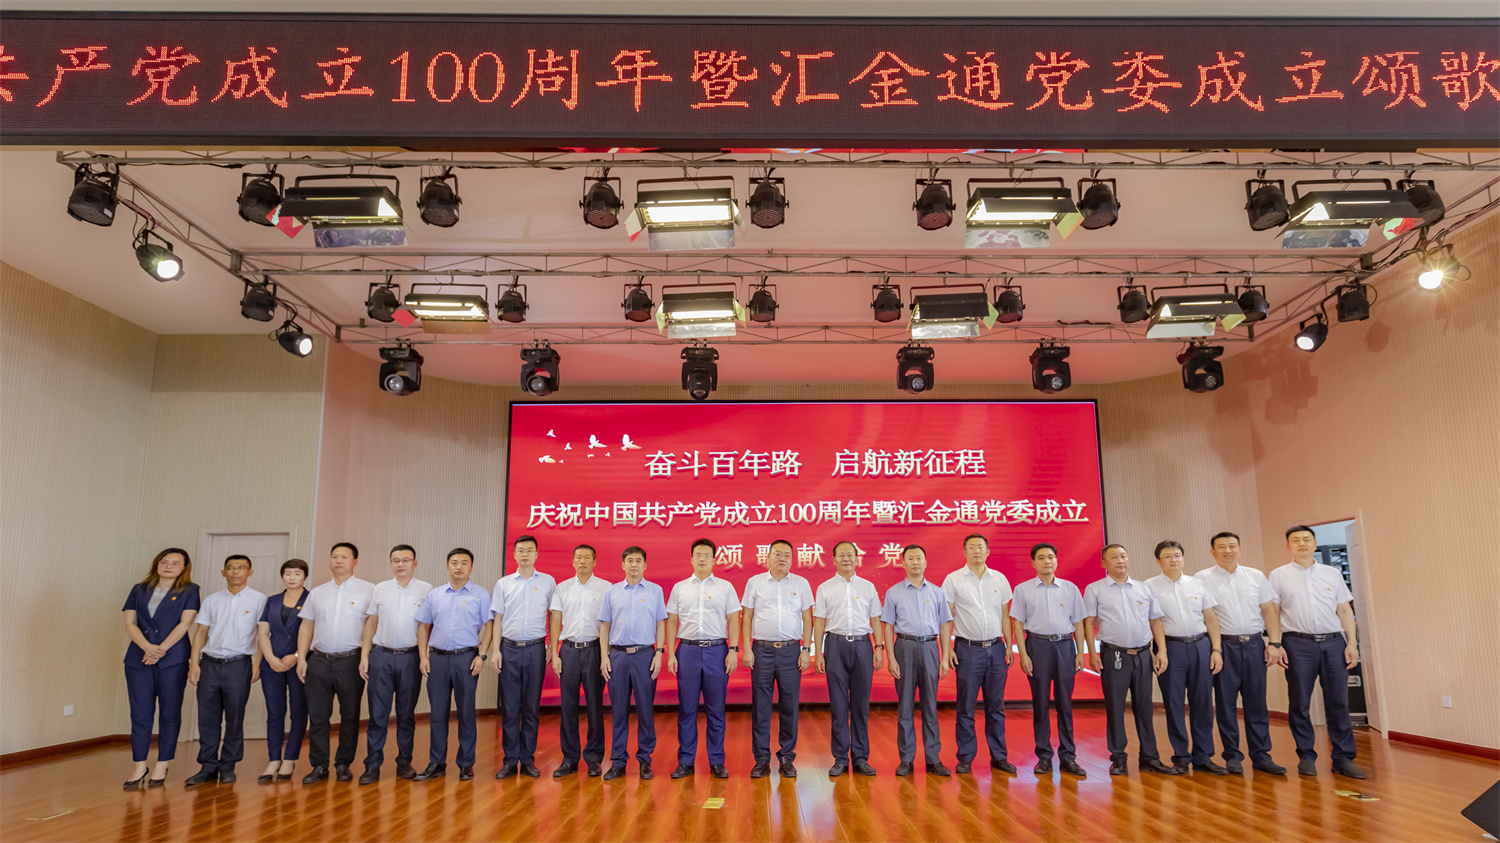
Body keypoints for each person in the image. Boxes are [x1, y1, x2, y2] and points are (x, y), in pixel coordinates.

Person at [1269, 525, 1366, 779]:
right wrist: (1276, 644)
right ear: (1288, 546)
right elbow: (1273, 613)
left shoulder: (1332, 574)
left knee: (1339, 703)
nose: (1301, 543)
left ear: (1314, 543)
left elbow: (1344, 610)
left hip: (1334, 643)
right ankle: (1306, 756)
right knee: (1299, 702)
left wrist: (1352, 643)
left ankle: (1343, 758)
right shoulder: (1278, 575)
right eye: (1296, 540)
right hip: (1297, 644)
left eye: (1306, 539)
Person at [1082, 544, 1180, 778]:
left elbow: (1155, 621)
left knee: (1145, 707)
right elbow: (1088, 622)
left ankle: (1149, 757)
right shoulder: (1095, 589)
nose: (1120, 560)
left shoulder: (1143, 588)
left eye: (1124, 556)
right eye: (1114, 557)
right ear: (1104, 563)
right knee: (1116, 707)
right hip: (1114, 655)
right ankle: (1118, 757)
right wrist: (1092, 653)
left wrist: (1161, 651)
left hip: (1144, 655)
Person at [1198, 531, 1288, 776]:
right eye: (1222, 546)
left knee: (1257, 703)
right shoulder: (1202, 579)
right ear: (1213, 552)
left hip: (1254, 645)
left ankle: (1261, 756)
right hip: (1223, 647)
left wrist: (1274, 643)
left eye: (1232, 546)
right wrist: (1215, 649)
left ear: (1240, 549)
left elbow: (1269, 610)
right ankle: (1232, 756)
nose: (1228, 550)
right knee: (1226, 704)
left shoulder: (1255, 576)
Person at [185, 555, 268, 787]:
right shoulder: (212, 600)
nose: (235, 572)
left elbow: (262, 635)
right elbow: (201, 632)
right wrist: (194, 663)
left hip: (239, 665)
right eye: (230, 568)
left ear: (250, 572)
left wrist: (257, 664)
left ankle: (228, 766)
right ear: (223, 573)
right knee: (207, 718)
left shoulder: (260, 600)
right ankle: (208, 766)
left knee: (234, 717)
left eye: (241, 568)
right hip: (209, 664)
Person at [1146, 540, 1226, 775]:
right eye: (1168, 556)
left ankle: (1204, 756)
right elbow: (1154, 621)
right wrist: (1161, 651)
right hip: (1171, 648)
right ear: (1158, 561)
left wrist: (1216, 650)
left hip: (1201, 645)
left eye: (1177, 555)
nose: (1174, 560)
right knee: (1174, 703)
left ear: (1183, 558)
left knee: (1203, 702)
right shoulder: (1149, 587)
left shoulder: (1198, 584)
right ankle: (1181, 756)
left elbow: (1210, 618)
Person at [296, 542, 374, 784]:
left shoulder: (368, 590)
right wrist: (301, 658)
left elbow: (372, 626)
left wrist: (365, 656)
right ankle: (319, 765)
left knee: (350, 714)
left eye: (344, 557)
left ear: (355, 562)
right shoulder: (317, 593)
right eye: (334, 556)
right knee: (318, 716)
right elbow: (306, 626)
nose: (338, 561)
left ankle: (343, 764)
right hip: (318, 660)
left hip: (350, 660)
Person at [122, 548, 201, 790]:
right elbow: (129, 622)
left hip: (173, 660)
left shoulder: (190, 590)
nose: (168, 566)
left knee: (169, 712)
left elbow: (185, 624)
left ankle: (162, 764)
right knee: (140, 713)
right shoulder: (139, 589)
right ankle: (139, 765)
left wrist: (160, 650)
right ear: (156, 564)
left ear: (184, 567)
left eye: (175, 563)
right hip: (138, 658)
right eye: (164, 562)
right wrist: (146, 647)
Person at [413, 548, 493, 782]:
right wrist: (423, 657)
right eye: (454, 562)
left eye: (464, 563)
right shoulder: (435, 594)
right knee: (438, 713)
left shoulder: (481, 594)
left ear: (471, 568)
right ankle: (436, 763)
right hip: (437, 659)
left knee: (466, 712)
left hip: (466, 658)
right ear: (447, 566)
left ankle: (466, 764)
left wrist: (482, 656)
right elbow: (423, 626)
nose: (459, 567)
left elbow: (489, 626)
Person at [666, 537, 742, 779]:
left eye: (706, 555)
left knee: (716, 709)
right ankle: (685, 762)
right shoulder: (680, 588)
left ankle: (717, 761)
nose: (702, 559)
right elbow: (672, 622)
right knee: (686, 709)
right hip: (687, 651)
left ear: (713, 560)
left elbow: (734, 620)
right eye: (698, 555)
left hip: (716, 651)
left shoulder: (725, 587)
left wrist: (733, 649)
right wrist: (671, 653)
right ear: (691, 559)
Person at [1010, 542, 1088, 778]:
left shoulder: (1070, 588)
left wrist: (1080, 652)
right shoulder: (1022, 590)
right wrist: (1023, 654)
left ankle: (1068, 756)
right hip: (1037, 646)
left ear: (1057, 560)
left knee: (1065, 703)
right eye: (1042, 557)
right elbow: (1018, 623)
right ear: (1033, 562)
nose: (1047, 561)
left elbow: (1078, 622)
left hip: (1065, 646)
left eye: (1051, 557)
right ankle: (1044, 756)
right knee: (1040, 703)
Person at [941, 533, 1016, 775]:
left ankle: (999, 756)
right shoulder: (953, 580)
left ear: (987, 551)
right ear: (964, 552)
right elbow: (946, 618)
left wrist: (1009, 645)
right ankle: (965, 757)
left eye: (980, 547)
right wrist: (947, 650)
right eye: (971, 547)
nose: (976, 551)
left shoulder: (1000, 579)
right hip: (967, 649)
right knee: (966, 706)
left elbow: (1005, 616)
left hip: (996, 648)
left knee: (996, 706)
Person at [358, 544, 432, 785]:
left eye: (405, 560)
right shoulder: (380, 589)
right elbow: (371, 623)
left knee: (406, 714)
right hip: (381, 657)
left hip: (410, 657)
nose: (400, 564)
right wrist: (365, 656)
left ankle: (404, 762)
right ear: (390, 563)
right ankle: (372, 765)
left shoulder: (426, 590)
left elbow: (427, 626)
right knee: (377, 714)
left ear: (414, 563)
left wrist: (424, 656)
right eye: (396, 560)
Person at [740, 539, 814, 779]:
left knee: (789, 706)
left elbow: (808, 619)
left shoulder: (801, 583)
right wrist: (747, 649)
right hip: (761, 650)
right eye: (777, 554)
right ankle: (761, 758)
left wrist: (806, 649)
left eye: (787, 555)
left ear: (792, 559)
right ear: (768, 557)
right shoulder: (755, 582)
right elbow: (747, 617)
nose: (782, 558)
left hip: (791, 651)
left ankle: (787, 758)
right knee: (761, 706)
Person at [881, 544, 953, 777]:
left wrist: (944, 657)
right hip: (904, 647)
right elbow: (888, 626)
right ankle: (906, 759)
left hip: (930, 647)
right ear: (902, 563)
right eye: (910, 558)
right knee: (905, 706)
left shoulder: (937, 592)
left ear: (925, 562)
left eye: (919, 558)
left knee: (930, 705)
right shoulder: (894, 592)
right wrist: (891, 657)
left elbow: (945, 625)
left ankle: (933, 758)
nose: (915, 562)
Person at [813, 541, 883, 777]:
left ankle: (861, 758)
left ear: (857, 558)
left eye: (850, 555)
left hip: (863, 645)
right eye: (841, 555)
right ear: (833, 559)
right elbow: (819, 623)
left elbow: (875, 620)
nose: (846, 559)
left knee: (861, 706)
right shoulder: (824, 588)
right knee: (839, 706)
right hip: (835, 645)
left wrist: (879, 647)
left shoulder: (868, 587)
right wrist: (819, 652)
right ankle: (841, 758)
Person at [489, 534, 556, 779]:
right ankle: (509, 760)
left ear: (537, 554)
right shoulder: (504, 584)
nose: (525, 554)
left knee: (530, 707)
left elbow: (553, 616)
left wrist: (551, 646)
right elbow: (497, 619)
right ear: (514, 554)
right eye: (521, 550)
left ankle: (527, 759)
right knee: (509, 708)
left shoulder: (548, 582)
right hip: (509, 649)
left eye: (529, 550)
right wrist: (495, 650)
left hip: (536, 649)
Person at [599, 546, 667, 781]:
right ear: (623, 565)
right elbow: (605, 625)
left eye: (638, 561)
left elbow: (660, 623)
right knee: (618, 711)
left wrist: (659, 653)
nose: (634, 564)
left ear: (645, 565)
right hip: (617, 656)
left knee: (645, 710)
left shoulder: (655, 591)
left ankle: (645, 760)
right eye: (630, 560)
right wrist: (604, 656)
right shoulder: (612, 592)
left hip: (645, 655)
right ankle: (618, 761)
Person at [549, 544, 612, 778]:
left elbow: (608, 624)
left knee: (595, 705)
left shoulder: (606, 588)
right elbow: (555, 620)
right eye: (578, 557)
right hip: (568, 650)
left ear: (595, 562)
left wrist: (606, 655)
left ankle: (594, 758)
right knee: (568, 706)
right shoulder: (562, 588)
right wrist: (555, 653)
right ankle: (569, 758)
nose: (582, 561)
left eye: (587, 557)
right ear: (573, 561)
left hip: (594, 650)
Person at [256, 558, 309, 784]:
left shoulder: (311, 599)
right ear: (282, 576)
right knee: (274, 712)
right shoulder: (272, 601)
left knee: (298, 711)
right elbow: (263, 633)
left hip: (301, 663)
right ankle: (274, 759)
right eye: (288, 574)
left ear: (305, 576)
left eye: (297, 573)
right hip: (272, 664)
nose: (292, 578)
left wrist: (296, 656)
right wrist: (269, 658)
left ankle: (290, 758)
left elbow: (315, 631)